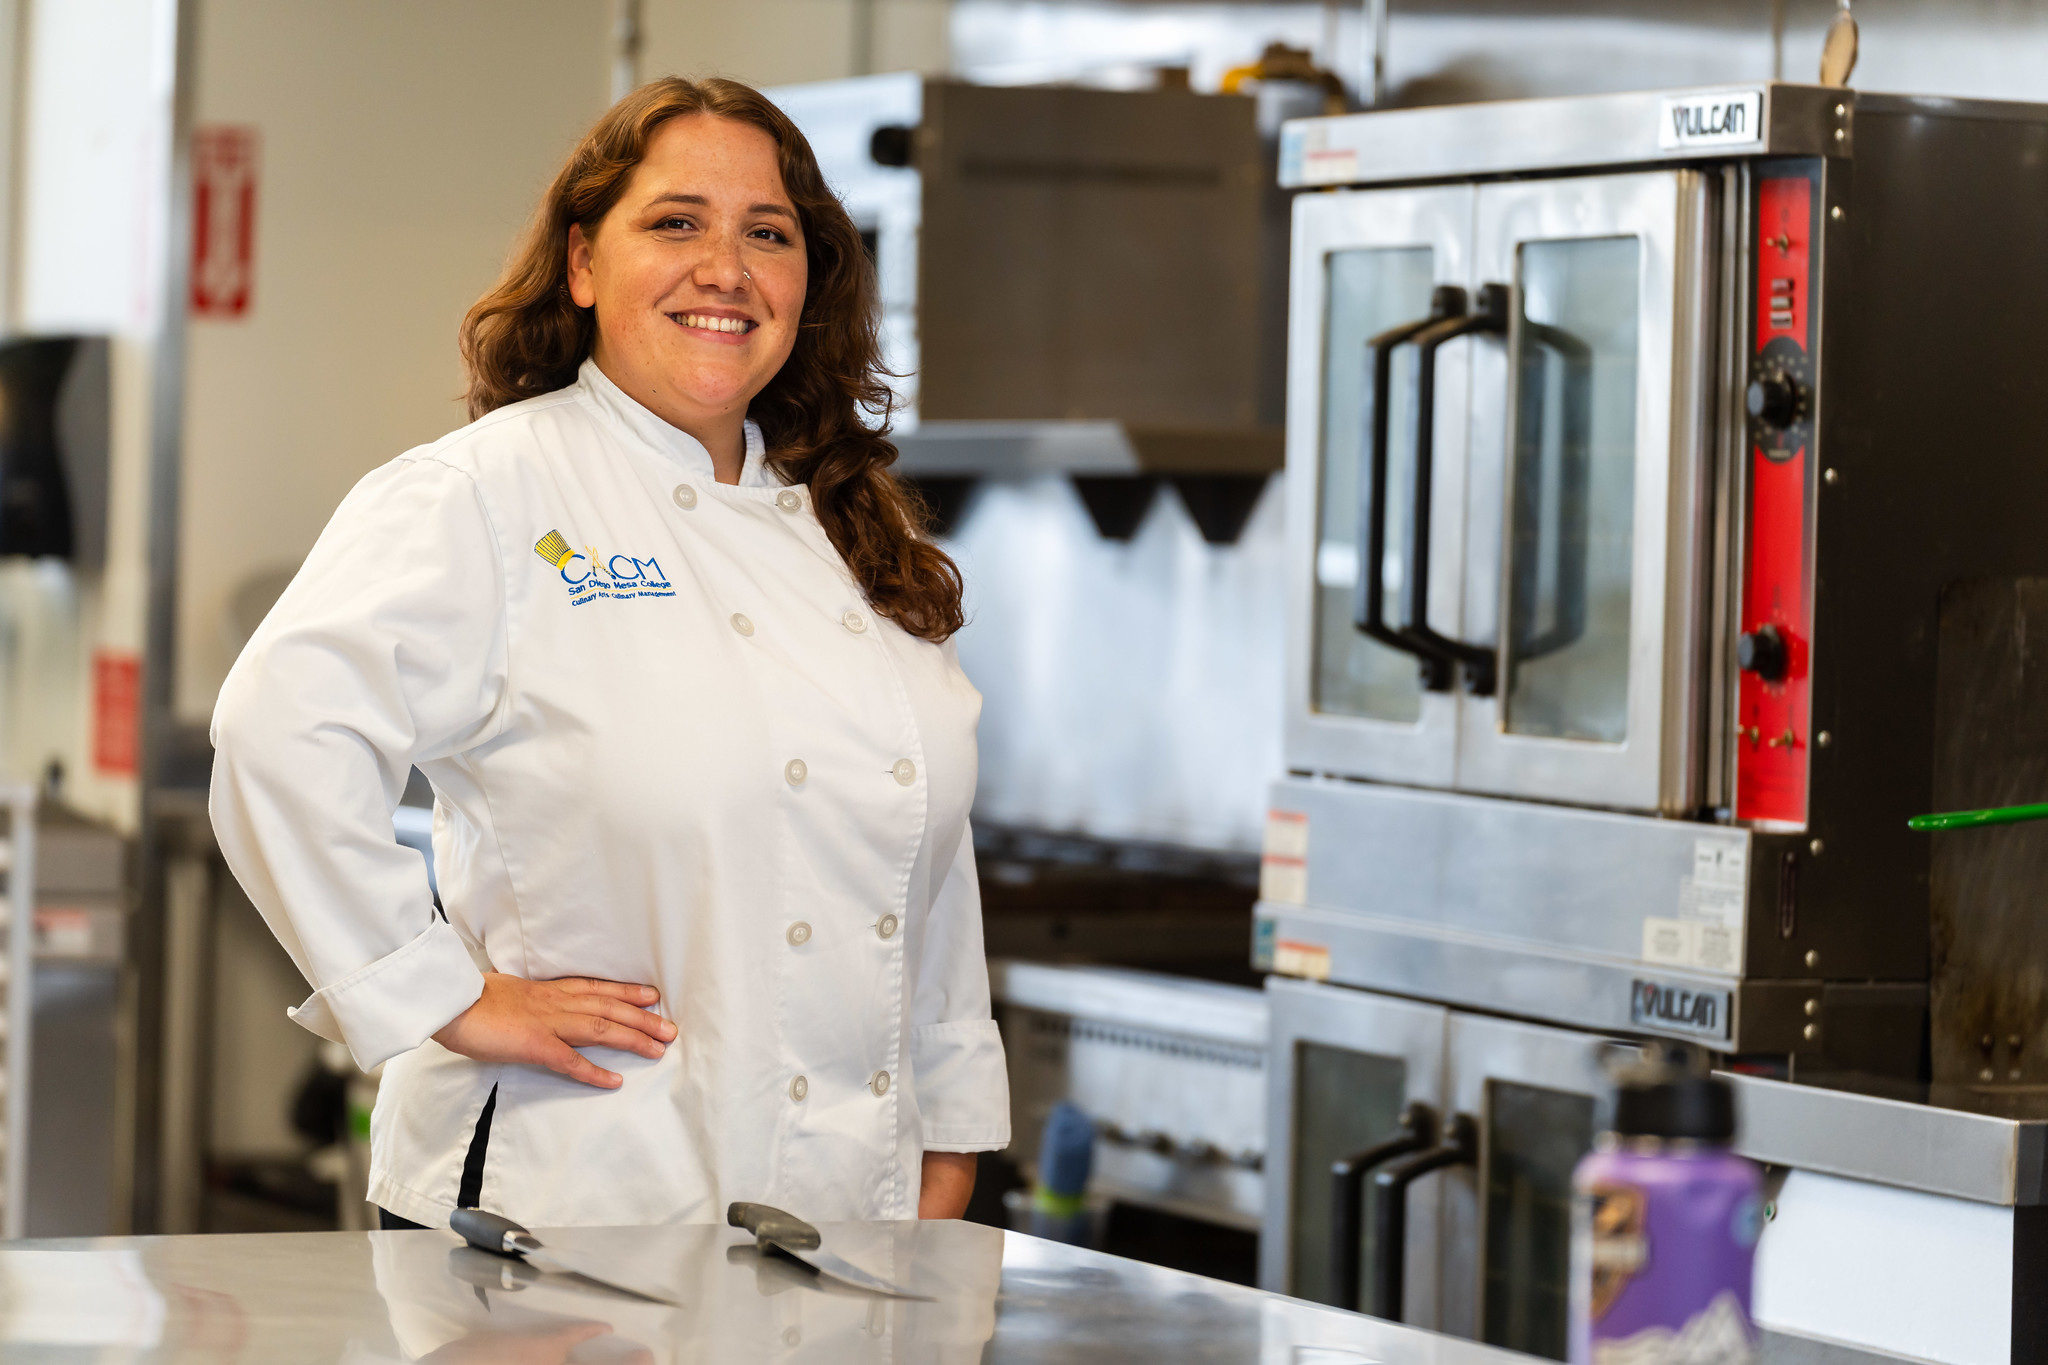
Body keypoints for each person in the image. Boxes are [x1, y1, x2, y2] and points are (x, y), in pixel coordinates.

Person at [209, 76, 1009, 1230]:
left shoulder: (844, 524)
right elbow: (277, 735)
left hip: (844, 1207)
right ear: (582, 264)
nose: (724, 268)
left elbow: (925, 861)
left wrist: (946, 1128)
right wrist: (442, 995)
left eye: (767, 235)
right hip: (565, 1199)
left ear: (806, 288)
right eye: (675, 222)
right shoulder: (489, 491)